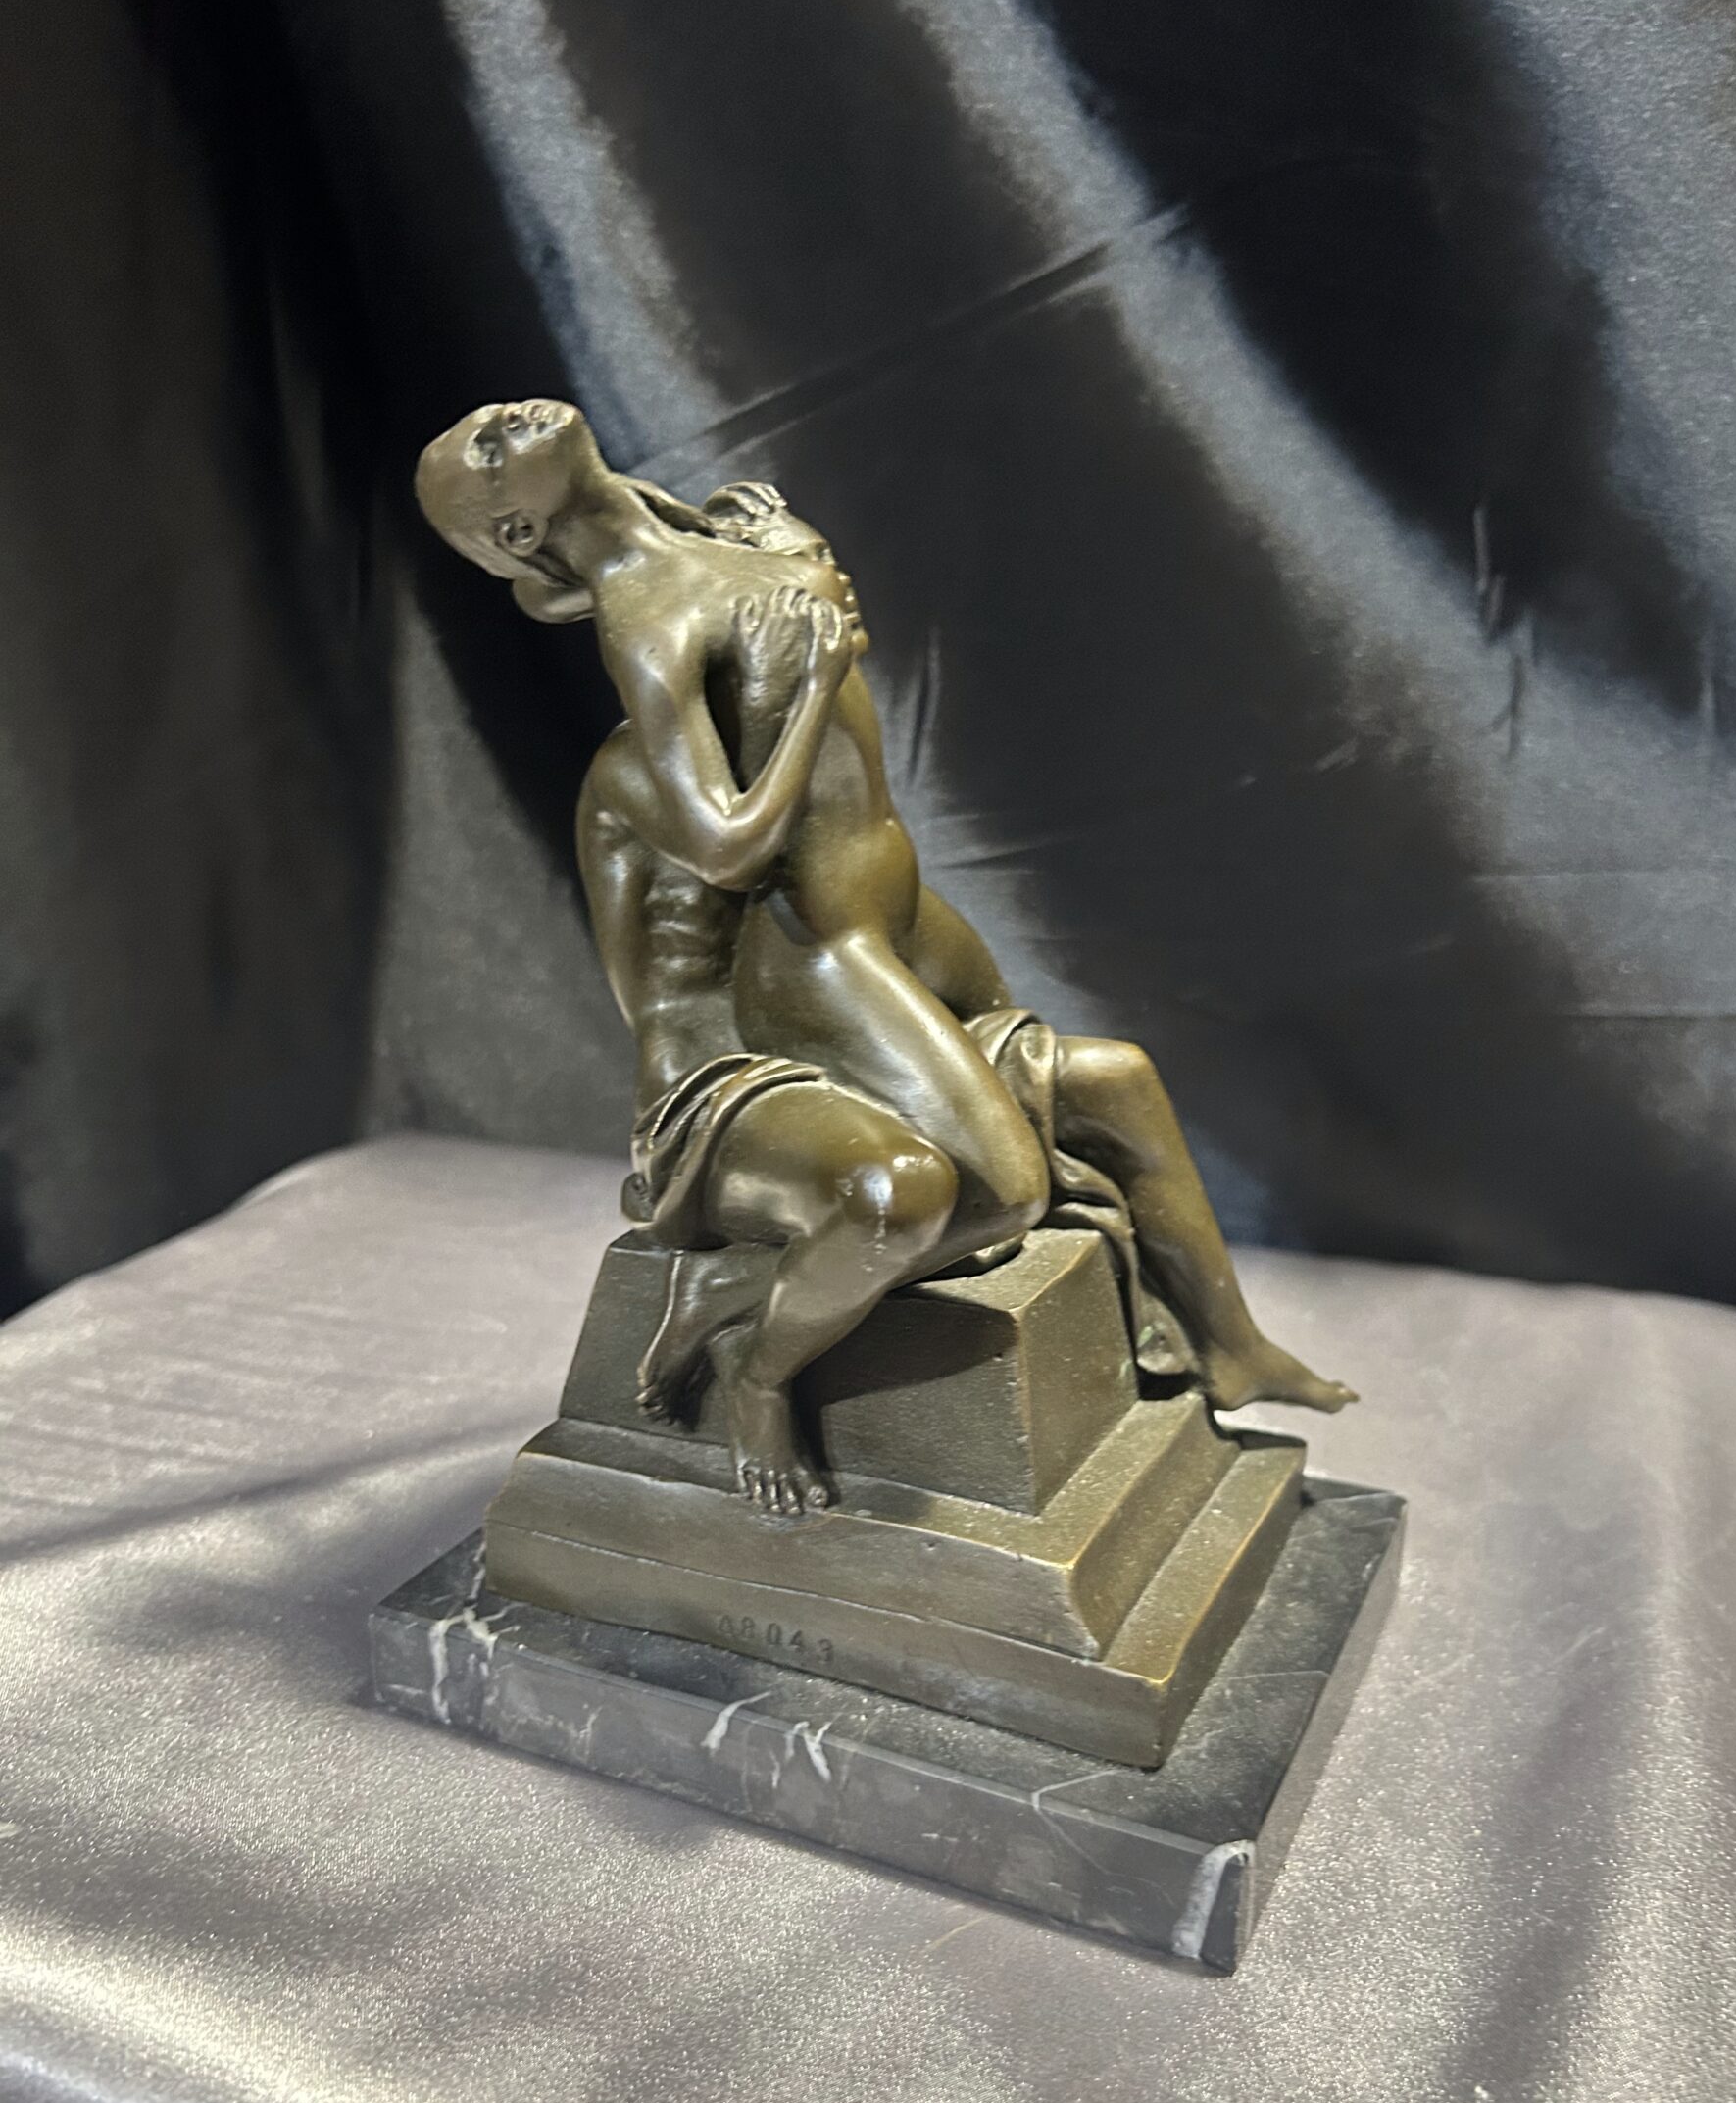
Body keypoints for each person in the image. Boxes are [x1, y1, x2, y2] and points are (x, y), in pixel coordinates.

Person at [416, 401, 1354, 1512]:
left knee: (1116, 1082)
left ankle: (1230, 1345)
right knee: (1000, 1188)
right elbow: (727, 846)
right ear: (517, 532)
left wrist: (797, 558)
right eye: (490, 450)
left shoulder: (705, 536)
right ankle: (757, 1352)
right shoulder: (646, 615)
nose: (506, 421)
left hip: (899, 912)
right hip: (826, 947)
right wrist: (812, 683)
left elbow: (807, 613)